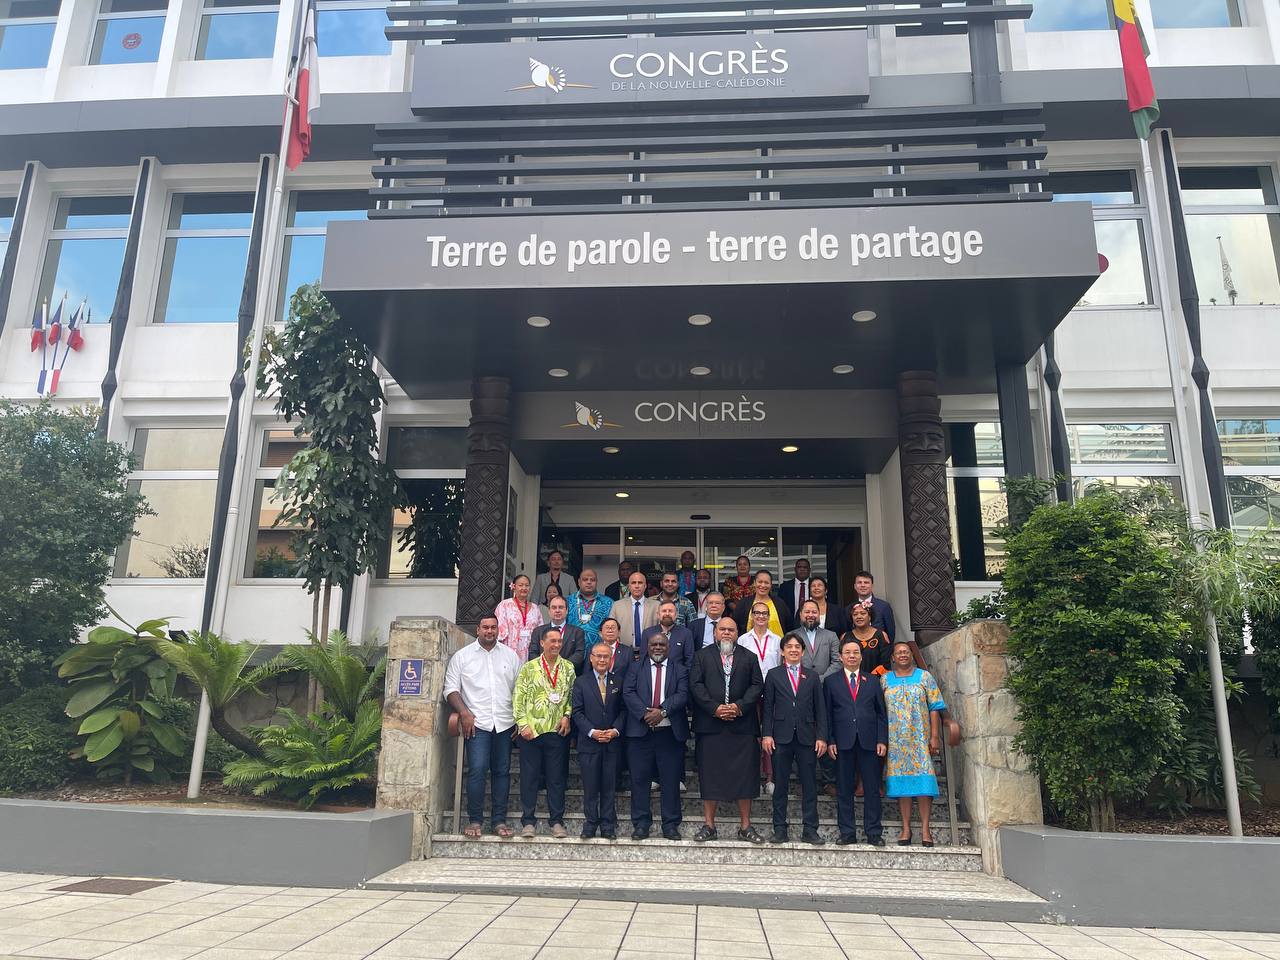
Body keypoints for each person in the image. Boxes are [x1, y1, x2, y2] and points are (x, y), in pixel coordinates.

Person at [443, 614, 520, 839]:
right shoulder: (462, 656)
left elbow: (519, 689)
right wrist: (464, 713)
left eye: (493, 627)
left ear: (498, 630)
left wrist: (519, 718)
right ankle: (475, 820)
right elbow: (451, 689)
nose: (489, 631)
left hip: (505, 723)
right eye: (485, 627)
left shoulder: (510, 655)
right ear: (478, 630)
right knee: (477, 769)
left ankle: (499, 821)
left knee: (502, 772)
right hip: (477, 724)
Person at [690, 618, 766, 844]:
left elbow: (757, 686)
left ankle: (746, 826)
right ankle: (709, 825)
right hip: (710, 726)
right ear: (715, 633)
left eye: (731, 630)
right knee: (709, 775)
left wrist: (738, 707)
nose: (726, 633)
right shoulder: (701, 656)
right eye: (722, 629)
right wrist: (715, 708)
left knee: (745, 776)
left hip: (741, 726)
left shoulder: (749, 657)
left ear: (737, 633)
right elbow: (695, 685)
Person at [761, 634, 828, 844]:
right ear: (782, 651)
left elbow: (820, 709)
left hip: (807, 737)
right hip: (781, 737)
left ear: (803, 651)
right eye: (789, 646)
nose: (793, 650)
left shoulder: (812, 676)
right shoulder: (773, 675)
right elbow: (767, 707)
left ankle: (810, 829)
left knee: (809, 785)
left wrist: (821, 736)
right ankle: (780, 829)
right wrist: (767, 734)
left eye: (797, 646)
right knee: (780, 785)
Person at [622, 632, 689, 841]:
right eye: (653, 644)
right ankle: (641, 824)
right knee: (639, 780)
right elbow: (628, 692)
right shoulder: (635, 668)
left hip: (669, 734)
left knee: (670, 780)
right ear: (647, 647)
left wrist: (662, 711)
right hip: (640, 733)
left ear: (668, 647)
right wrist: (645, 714)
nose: (657, 647)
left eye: (661, 644)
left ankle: (670, 825)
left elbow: (683, 694)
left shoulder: (680, 669)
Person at [824, 637, 888, 846]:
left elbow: (881, 713)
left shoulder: (873, 681)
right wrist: (830, 740)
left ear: (861, 657)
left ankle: (874, 832)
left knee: (872, 788)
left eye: (855, 653)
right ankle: (847, 832)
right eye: (848, 653)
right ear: (841, 657)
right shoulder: (831, 682)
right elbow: (827, 714)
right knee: (844, 789)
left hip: (869, 741)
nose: (852, 656)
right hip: (842, 742)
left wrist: (882, 739)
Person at [513, 627, 576, 838]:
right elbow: (518, 697)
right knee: (529, 777)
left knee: (556, 779)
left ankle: (556, 821)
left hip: (557, 731)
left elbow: (572, 697)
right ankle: (528, 821)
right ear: (542, 643)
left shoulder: (568, 668)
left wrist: (567, 716)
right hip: (531, 732)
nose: (556, 645)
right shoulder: (529, 668)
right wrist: (523, 725)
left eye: (559, 641)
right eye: (552, 641)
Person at [882, 640, 946, 846]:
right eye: (898, 652)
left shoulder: (924, 677)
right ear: (893, 657)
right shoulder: (885, 679)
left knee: (924, 784)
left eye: (906, 652)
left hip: (919, 738)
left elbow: (935, 706)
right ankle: (906, 828)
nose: (903, 655)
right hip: (895, 741)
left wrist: (934, 736)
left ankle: (926, 829)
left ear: (911, 655)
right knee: (902, 785)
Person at [572, 641, 626, 839]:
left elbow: (624, 710)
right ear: (591, 658)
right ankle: (590, 823)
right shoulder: (581, 682)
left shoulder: (619, 681)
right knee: (590, 786)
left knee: (609, 786)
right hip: (589, 743)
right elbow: (577, 712)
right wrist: (592, 731)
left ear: (611, 659)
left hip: (612, 742)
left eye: (606, 656)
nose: (602, 660)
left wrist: (615, 730)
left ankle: (607, 825)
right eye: (599, 656)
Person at [741, 599, 782, 793]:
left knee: (770, 734)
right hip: (750, 692)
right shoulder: (743, 640)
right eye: (756, 613)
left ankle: (770, 778)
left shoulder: (777, 640)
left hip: (772, 692)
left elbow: (780, 667)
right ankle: (753, 775)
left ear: (769, 616)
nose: (760, 616)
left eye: (764, 613)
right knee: (752, 736)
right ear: (752, 616)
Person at [784, 599, 842, 679]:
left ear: (819, 614)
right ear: (800, 614)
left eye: (814, 612)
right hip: (799, 682)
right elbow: (787, 661)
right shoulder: (790, 636)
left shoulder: (831, 636)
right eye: (807, 612)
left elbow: (837, 661)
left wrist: (822, 679)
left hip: (825, 683)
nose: (810, 615)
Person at [529, 595, 585, 673]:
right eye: (554, 607)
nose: (557, 610)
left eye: (561, 607)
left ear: (567, 611)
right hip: (543, 674)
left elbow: (579, 655)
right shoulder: (538, 632)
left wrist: (560, 668)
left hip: (568, 675)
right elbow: (532, 654)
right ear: (549, 611)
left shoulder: (577, 632)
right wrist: (547, 668)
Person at [495, 574, 542, 661]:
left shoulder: (535, 608)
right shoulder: (504, 605)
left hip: (531, 651)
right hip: (509, 650)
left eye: (527, 585)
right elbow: (499, 632)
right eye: (520, 585)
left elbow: (540, 631)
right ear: (514, 586)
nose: (524, 588)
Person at [732, 569, 791, 636]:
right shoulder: (744, 604)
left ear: (771, 585)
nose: (763, 585)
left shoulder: (779, 603)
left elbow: (789, 626)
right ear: (754, 583)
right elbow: (735, 625)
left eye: (766, 583)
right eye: (760, 582)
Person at [566, 568, 613, 650]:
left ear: (596, 582)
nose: (589, 582)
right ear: (579, 582)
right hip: (572, 650)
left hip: (600, 652)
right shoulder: (568, 601)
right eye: (585, 579)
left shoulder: (608, 603)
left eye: (592, 580)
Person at [641, 600, 695, 670]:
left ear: (676, 615)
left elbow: (689, 661)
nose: (667, 614)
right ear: (658, 615)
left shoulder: (686, 633)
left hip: (678, 675)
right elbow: (643, 660)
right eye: (664, 611)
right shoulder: (648, 633)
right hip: (652, 675)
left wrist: (683, 676)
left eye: (670, 611)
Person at [845, 600, 892, 677]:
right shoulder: (846, 637)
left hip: (876, 679)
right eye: (855, 614)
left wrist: (871, 679)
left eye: (863, 613)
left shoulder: (881, 635)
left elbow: (886, 664)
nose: (859, 617)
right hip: (852, 679)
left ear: (870, 617)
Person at [847, 570, 896, 642]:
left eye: (866, 582)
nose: (863, 585)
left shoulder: (884, 606)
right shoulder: (849, 608)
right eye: (859, 582)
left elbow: (891, 633)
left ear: (872, 586)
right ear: (855, 586)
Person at [616, 570, 659, 650]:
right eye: (633, 583)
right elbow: (612, 630)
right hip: (624, 651)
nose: (637, 586)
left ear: (645, 586)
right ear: (629, 586)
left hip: (650, 651)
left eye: (640, 583)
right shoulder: (617, 606)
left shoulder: (656, 606)